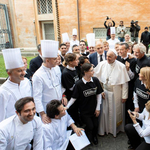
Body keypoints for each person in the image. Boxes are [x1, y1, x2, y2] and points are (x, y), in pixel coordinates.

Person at [94, 49, 130, 137]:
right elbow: (96, 77)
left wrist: (124, 96)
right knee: (105, 112)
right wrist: (100, 91)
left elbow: (125, 83)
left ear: (115, 57)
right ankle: (105, 129)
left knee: (115, 113)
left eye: (110, 57)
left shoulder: (121, 66)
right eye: (107, 56)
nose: (107, 58)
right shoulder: (102, 64)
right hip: (105, 92)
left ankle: (115, 130)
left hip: (116, 94)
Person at [66, 63, 103, 145]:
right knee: (90, 126)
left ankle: (94, 137)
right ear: (85, 72)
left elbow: (98, 94)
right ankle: (88, 136)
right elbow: (74, 98)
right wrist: (67, 107)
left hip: (94, 109)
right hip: (84, 110)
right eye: (91, 70)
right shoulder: (79, 84)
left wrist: (98, 108)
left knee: (95, 125)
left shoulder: (95, 80)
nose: (93, 72)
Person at [32, 40, 67, 124]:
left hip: (59, 105)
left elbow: (60, 85)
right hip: (47, 109)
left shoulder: (57, 68)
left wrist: (63, 95)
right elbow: (37, 97)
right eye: (55, 59)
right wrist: (42, 114)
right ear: (47, 60)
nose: (57, 60)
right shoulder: (38, 75)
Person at [0, 48, 32, 122]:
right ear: (9, 73)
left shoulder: (26, 82)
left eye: (23, 70)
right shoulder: (3, 91)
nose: (24, 73)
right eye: (19, 71)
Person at [117, 43, 137, 123]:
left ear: (127, 50)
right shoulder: (117, 58)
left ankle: (128, 121)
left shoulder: (132, 60)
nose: (120, 51)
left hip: (129, 86)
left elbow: (132, 77)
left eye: (121, 49)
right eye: (118, 49)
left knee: (128, 103)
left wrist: (128, 70)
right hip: (119, 85)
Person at [61, 53, 79, 123]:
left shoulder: (75, 69)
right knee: (73, 114)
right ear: (70, 62)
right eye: (76, 60)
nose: (78, 61)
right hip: (71, 97)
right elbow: (71, 88)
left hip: (77, 96)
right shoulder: (66, 73)